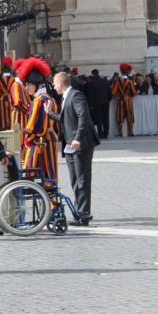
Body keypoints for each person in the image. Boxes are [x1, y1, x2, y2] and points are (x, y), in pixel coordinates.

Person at [49, 72, 98, 225]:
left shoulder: (76, 95)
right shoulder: (65, 97)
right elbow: (65, 118)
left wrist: (78, 137)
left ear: (61, 83)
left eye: (54, 83)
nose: (53, 86)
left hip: (80, 143)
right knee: (75, 179)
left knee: (82, 179)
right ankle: (79, 212)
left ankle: (83, 214)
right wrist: (49, 113)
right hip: (70, 144)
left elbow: (83, 116)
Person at [19, 58, 58, 182]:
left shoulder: (39, 100)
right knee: (50, 173)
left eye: (29, 85)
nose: (26, 88)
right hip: (49, 140)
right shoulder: (49, 98)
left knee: (39, 176)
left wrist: (27, 139)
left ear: (37, 85)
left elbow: (34, 127)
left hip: (40, 143)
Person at [112, 63, 136, 137]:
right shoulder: (130, 82)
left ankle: (120, 133)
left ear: (121, 72)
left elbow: (113, 92)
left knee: (120, 116)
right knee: (130, 116)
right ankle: (131, 132)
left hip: (120, 100)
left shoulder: (117, 81)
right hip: (128, 100)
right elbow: (134, 92)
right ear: (128, 72)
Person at [0, 56, 15, 130]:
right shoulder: (13, 79)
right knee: (12, 115)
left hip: (3, 100)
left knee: (3, 117)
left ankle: (4, 128)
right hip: (12, 99)